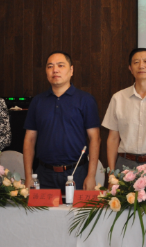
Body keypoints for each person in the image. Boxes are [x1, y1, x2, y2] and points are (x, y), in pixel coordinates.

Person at [23, 51, 101, 191]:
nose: (55, 70)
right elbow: (29, 140)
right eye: (50, 66)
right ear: (46, 72)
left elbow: (95, 138)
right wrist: (28, 175)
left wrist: (91, 176)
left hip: (76, 172)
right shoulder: (38, 101)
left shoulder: (85, 100)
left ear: (71, 70)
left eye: (60, 65)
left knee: (75, 213)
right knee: (42, 213)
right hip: (43, 173)